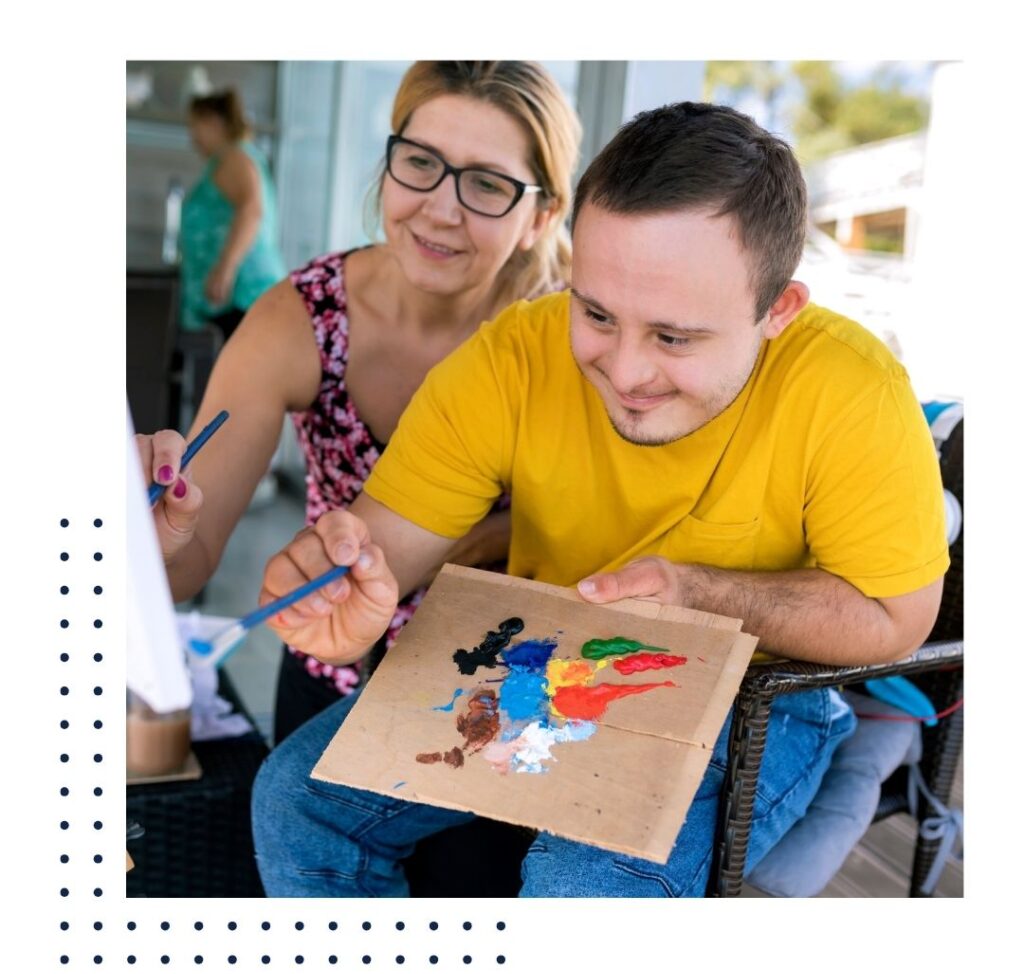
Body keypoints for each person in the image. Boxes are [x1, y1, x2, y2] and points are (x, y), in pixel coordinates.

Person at [248, 101, 950, 898]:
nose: (625, 370)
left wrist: (697, 593)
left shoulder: (853, 389)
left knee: (580, 881)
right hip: (545, 659)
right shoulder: (515, 356)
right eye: (596, 314)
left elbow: (896, 616)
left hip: (757, 692)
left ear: (777, 311)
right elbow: (381, 548)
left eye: (674, 337)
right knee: (294, 800)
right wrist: (343, 585)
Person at [137, 62, 581, 743]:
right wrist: (150, 536)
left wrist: (478, 539)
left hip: (515, 700)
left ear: (540, 217)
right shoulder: (303, 318)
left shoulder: (582, 337)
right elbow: (190, 558)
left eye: (487, 184)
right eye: (420, 162)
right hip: (333, 682)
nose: (441, 208)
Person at [179, 88, 287, 340]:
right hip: (237, 297)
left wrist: (225, 269)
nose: (192, 136)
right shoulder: (234, 157)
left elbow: (252, 211)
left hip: (243, 293)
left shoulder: (235, 157)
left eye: (195, 126)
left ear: (214, 122)